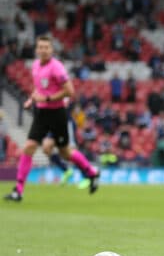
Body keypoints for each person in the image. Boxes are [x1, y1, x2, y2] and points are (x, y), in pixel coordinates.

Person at [4, 36, 100, 202]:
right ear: (36, 50)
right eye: (40, 47)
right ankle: (18, 190)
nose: (43, 50)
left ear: (52, 50)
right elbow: (38, 88)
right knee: (29, 147)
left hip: (57, 115)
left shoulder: (57, 68)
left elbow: (70, 91)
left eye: (46, 47)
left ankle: (92, 172)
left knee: (65, 152)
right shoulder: (35, 66)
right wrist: (31, 100)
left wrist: (48, 99)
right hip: (41, 114)